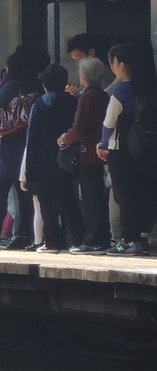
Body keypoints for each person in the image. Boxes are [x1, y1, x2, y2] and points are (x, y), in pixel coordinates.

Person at [0, 51, 40, 249]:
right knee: (24, 193)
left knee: (1, 190)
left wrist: (4, 80)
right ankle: (22, 235)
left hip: (10, 143)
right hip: (29, 143)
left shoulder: (12, 85)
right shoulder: (37, 86)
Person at [97, 42, 157, 255]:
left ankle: (128, 240)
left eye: (113, 62)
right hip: (142, 149)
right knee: (140, 192)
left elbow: (109, 122)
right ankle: (141, 238)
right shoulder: (147, 86)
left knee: (124, 196)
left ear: (121, 65)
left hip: (120, 148)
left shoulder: (121, 89)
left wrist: (102, 144)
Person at [22, 64, 83, 253]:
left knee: (47, 204)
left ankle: (52, 242)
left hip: (42, 162)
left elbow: (32, 138)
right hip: (66, 160)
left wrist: (29, 170)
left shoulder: (39, 104)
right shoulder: (72, 102)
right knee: (69, 201)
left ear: (44, 83)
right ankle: (80, 239)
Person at [59, 57, 111, 254]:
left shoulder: (87, 97)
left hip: (88, 153)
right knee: (97, 197)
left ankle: (93, 239)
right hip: (99, 151)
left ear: (84, 76)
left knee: (90, 198)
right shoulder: (103, 95)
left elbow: (79, 127)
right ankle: (101, 238)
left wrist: (65, 138)